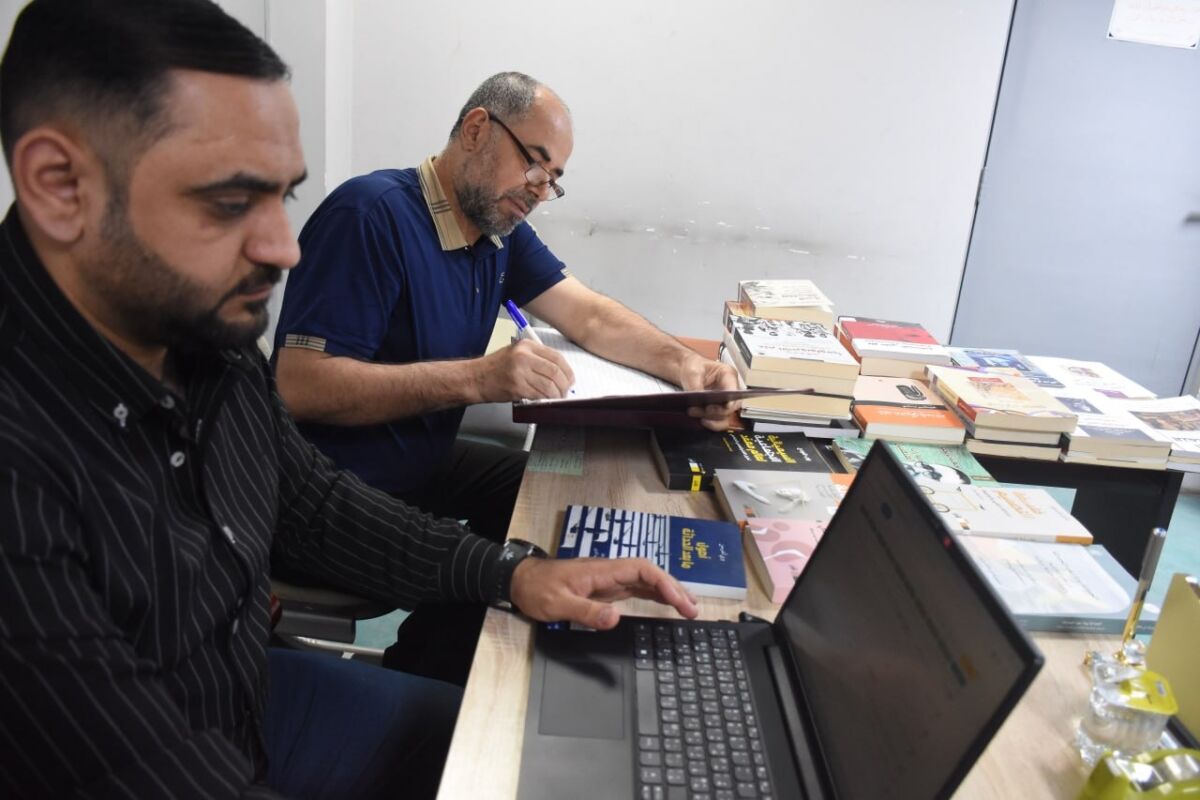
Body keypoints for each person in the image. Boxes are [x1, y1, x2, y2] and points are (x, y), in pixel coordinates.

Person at [0, 2, 698, 797]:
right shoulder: (24, 461)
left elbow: (311, 502)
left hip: (245, 684)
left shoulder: (202, 336)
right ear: (60, 184)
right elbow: (134, 767)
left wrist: (510, 574)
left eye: (282, 196)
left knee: (518, 741)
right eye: (231, 199)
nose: (283, 249)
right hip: (185, 739)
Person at [271, 71, 739, 677]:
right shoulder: (369, 216)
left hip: (415, 462)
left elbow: (591, 316)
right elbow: (298, 386)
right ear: (476, 129)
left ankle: (428, 660)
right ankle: (427, 685)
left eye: (553, 180)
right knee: (498, 565)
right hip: (328, 489)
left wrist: (689, 365)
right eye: (534, 165)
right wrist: (478, 379)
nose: (540, 191)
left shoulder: (495, 232)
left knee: (546, 493)